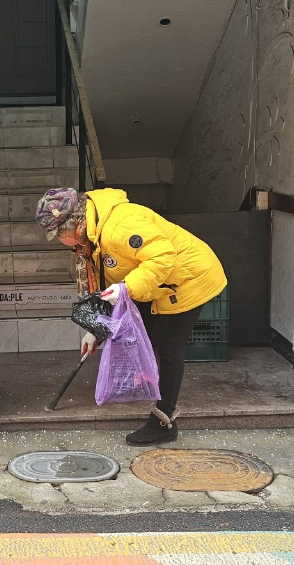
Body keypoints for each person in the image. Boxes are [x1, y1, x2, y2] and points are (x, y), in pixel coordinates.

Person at [35, 187, 227, 446]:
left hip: (189, 279)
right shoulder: (94, 232)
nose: (59, 241)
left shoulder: (119, 227)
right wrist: (97, 328)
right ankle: (146, 381)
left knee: (169, 347)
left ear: (74, 225)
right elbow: (107, 284)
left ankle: (163, 422)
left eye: (58, 235)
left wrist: (127, 288)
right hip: (157, 284)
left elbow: (162, 257)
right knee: (139, 331)